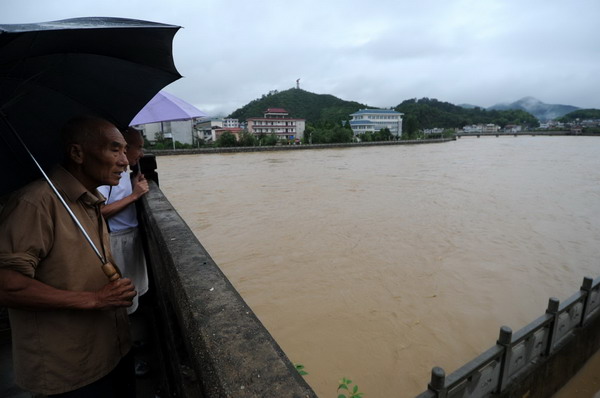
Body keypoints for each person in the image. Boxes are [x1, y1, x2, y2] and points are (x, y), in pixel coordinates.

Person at [0, 116, 137, 397]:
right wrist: (94, 299)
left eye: (125, 150)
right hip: (69, 369)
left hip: (110, 350)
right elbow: (7, 285)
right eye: (115, 149)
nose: (126, 161)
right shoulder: (35, 203)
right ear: (77, 153)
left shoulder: (89, 201)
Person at [98, 127, 149, 315]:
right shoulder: (106, 176)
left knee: (132, 292)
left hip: (130, 237)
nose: (141, 153)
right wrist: (134, 196)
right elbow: (98, 213)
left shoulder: (126, 172)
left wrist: (134, 184)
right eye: (139, 147)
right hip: (114, 241)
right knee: (121, 297)